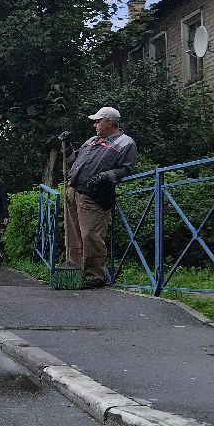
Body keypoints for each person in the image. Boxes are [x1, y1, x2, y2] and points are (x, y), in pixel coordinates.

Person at [62, 106, 137, 289]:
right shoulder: (91, 141)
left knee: (91, 235)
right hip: (73, 191)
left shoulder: (126, 143)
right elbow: (73, 161)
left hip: (95, 196)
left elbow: (125, 169)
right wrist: (67, 146)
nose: (95, 124)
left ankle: (95, 275)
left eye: (98, 121)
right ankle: (76, 271)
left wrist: (105, 177)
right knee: (74, 235)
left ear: (109, 122)